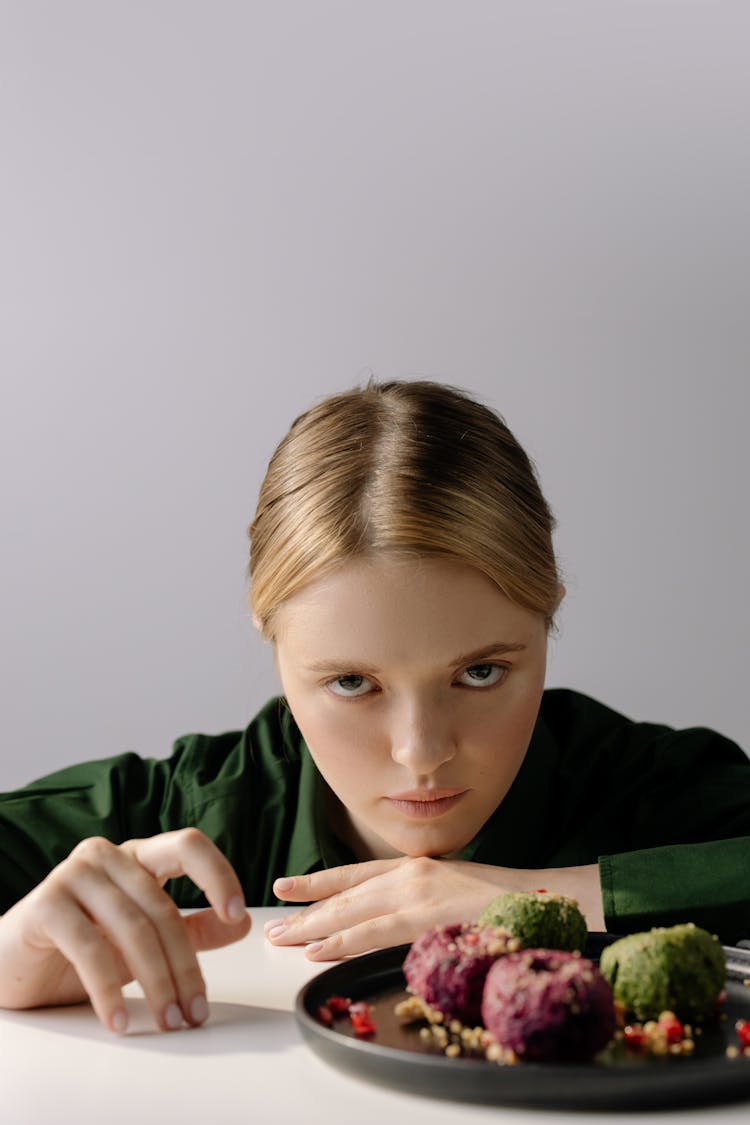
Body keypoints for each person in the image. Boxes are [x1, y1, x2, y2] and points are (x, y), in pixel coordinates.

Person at [1, 380, 749, 1037]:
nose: (420, 751)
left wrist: (536, 898)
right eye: (353, 683)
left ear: (549, 614)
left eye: (481, 671)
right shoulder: (195, 810)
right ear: (272, 641)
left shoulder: (656, 791)